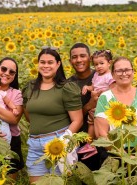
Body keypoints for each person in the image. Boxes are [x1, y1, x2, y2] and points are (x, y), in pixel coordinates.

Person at [22, 47, 83, 184]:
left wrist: (63, 141)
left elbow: (77, 120)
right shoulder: (30, 87)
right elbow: (29, 115)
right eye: (42, 62)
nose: (46, 66)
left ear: (58, 64)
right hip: (34, 144)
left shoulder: (66, 88)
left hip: (57, 142)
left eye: (50, 62)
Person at [94, 56, 137, 147]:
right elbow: (101, 133)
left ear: (133, 72)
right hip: (115, 154)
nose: (124, 73)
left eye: (127, 70)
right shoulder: (105, 98)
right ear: (112, 75)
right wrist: (122, 155)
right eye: (119, 71)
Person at [68, 42, 108, 171]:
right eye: (75, 57)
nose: (79, 60)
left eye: (82, 56)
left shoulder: (101, 74)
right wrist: (90, 105)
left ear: (89, 58)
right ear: (70, 61)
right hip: (82, 140)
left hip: (106, 138)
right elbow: (67, 117)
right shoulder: (68, 84)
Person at [79, 49, 115, 158]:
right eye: (95, 64)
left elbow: (113, 90)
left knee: (98, 123)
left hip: (105, 104)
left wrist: (100, 93)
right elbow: (93, 87)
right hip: (95, 103)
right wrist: (87, 87)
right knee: (91, 122)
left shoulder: (110, 76)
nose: (98, 66)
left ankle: (94, 144)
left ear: (109, 63)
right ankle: (90, 144)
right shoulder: (96, 75)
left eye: (101, 63)